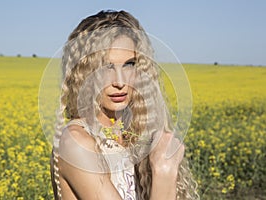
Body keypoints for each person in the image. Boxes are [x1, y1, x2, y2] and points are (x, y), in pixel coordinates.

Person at [50, 10, 199, 200]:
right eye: (106, 66)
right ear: (83, 74)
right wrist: (164, 171)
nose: (120, 82)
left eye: (129, 64)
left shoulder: (132, 134)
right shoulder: (76, 142)